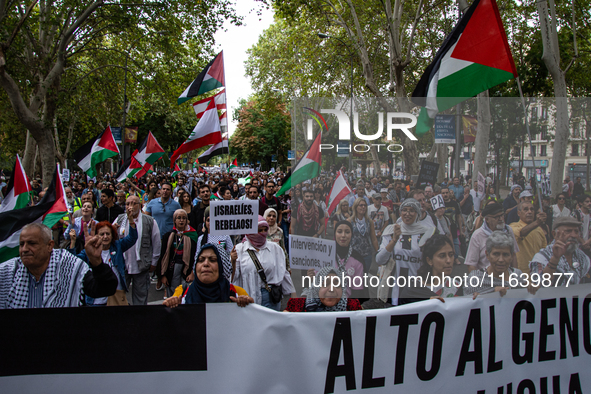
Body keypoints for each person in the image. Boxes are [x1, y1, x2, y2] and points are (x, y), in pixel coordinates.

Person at [0, 223, 118, 308]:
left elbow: (106, 289)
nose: (24, 249)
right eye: (21, 244)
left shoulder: (69, 265)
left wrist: (96, 262)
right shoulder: (8, 271)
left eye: (31, 243)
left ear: (49, 246)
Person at [376, 198, 435, 305]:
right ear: (400, 212)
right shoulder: (390, 230)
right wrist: (394, 240)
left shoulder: (426, 234)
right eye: (405, 210)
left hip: (417, 289)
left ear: (417, 213)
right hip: (392, 288)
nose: (407, 213)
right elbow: (379, 259)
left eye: (412, 210)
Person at [69, 217, 138, 306]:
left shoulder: (117, 246)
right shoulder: (89, 251)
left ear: (112, 235)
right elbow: (74, 263)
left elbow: (132, 238)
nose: (105, 237)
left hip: (115, 296)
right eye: (102, 234)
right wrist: (73, 243)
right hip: (95, 300)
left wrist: (131, 220)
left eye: (108, 234)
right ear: (96, 236)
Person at [231, 216, 294, 310]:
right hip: (247, 298)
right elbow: (233, 278)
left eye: (265, 229)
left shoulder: (275, 249)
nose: (263, 233)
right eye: (259, 230)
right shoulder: (239, 250)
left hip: (270, 299)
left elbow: (283, 274)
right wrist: (233, 261)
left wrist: (293, 302)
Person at [163, 245, 253, 308]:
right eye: (201, 260)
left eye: (212, 260)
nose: (205, 264)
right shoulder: (182, 292)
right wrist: (171, 306)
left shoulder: (237, 293)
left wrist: (247, 306)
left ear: (222, 267)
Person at [113, 195, 161, 305]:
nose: (130, 206)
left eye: (133, 203)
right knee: (119, 294)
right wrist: (114, 230)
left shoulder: (149, 221)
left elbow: (156, 242)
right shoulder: (120, 219)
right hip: (123, 264)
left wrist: (154, 262)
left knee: (140, 294)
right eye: (127, 203)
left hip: (141, 264)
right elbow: (110, 239)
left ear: (139, 205)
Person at [398, 235, 466, 305]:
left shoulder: (459, 286)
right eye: (442, 256)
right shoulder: (412, 291)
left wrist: (475, 299)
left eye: (451, 255)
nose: (448, 260)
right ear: (429, 260)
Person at [529, 216, 591, 286]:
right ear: (554, 234)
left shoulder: (583, 257)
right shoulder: (542, 257)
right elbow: (537, 284)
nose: (574, 235)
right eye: (568, 231)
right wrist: (555, 259)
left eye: (576, 231)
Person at [464, 231, 528, 296]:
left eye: (505, 255)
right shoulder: (475, 279)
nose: (501, 260)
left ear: (512, 256)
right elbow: (466, 303)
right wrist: (490, 294)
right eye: (496, 254)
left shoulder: (517, 276)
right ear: (487, 255)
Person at [465, 202, 519, 271]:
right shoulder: (478, 235)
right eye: (496, 217)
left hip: (506, 278)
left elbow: (513, 255)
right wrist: (477, 280)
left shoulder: (508, 230)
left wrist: (515, 277)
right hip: (485, 278)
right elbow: (471, 264)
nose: (501, 219)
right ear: (487, 219)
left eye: (502, 215)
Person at [157, 209, 198, 297]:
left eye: (184, 218)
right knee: (172, 294)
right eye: (179, 218)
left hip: (186, 270)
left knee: (185, 293)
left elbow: (196, 255)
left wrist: (192, 272)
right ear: (174, 220)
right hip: (171, 270)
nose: (181, 220)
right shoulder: (168, 236)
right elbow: (163, 255)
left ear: (187, 221)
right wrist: (163, 275)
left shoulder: (192, 236)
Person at [284, 267, 362, 312]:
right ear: (317, 288)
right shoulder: (298, 306)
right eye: (325, 284)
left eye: (337, 284)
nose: (331, 289)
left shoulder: (352, 307)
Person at [509, 201, 548, 274]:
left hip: (537, 274)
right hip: (522, 274)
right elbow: (521, 233)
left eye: (532, 209)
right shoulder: (513, 227)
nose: (529, 212)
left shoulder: (539, 229)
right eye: (526, 209)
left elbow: (544, 250)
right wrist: (537, 222)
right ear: (519, 213)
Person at [197, 207, 234, 280]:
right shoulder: (201, 239)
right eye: (208, 220)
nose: (210, 223)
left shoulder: (225, 236)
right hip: (207, 272)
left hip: (223, 272)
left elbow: (230, 253)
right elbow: (197, 256)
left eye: (213, 220)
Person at [330, 220, 365, 298]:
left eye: (347, 232)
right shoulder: (326, 255)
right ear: (335, 234)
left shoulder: (357, 260)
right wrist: (312, 276)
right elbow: (317, 284)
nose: (343, 235)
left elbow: (357, 290)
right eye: (339, 232)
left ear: (352, 234)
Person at [348, 197, 379, 271]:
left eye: (365, 205)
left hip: (366, 254)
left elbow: (373, 238)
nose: (363, 207)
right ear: (355, 207)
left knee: (364, 276)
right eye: (361, 205)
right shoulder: (349, 221)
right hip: (353, 254)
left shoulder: (369, 221)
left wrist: (378, 253)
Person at [441, 187, 463, 257]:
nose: (445, 195)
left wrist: (461, 229)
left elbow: (458, 216)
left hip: (454, 229)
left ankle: (455, 258)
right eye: (443, 193)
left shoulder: (454, 203)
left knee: (456, 251)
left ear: (449, 193)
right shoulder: (440, 205)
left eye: (447, 193)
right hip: (443, 231)